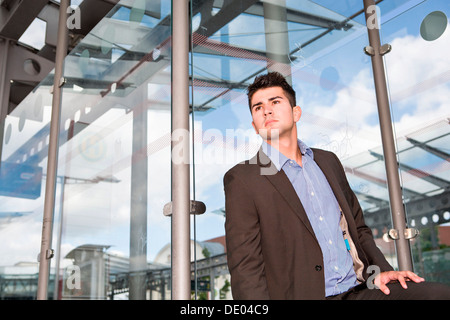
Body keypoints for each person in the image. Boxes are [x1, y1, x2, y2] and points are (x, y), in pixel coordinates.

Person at [223, 71, 450, 300]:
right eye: (258, 107)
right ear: (254, 125)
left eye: (275, 102)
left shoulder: (327, 161)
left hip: (358, 290)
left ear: (296, 112)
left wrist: (382, 271)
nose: (266, 110)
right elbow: (245, 266)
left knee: (437, 295)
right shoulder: (243, 179)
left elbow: (358, 229)